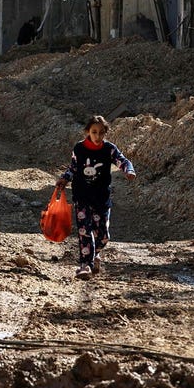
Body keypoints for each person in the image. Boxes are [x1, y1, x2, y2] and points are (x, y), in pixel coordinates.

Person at [55, 115, 136, 280]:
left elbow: (122, 160)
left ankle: (95, 254)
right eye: (94, 132)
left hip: (101, 198)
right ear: (87, 132)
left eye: (101, 132)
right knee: (84, 231)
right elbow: (74, 167)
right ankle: (85, 266)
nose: (98, 136)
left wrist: (129, 170)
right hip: (82, 196)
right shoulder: (79, 148)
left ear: (105, 133)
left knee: (103, 235)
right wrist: (65, 178)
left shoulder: (109, 149)